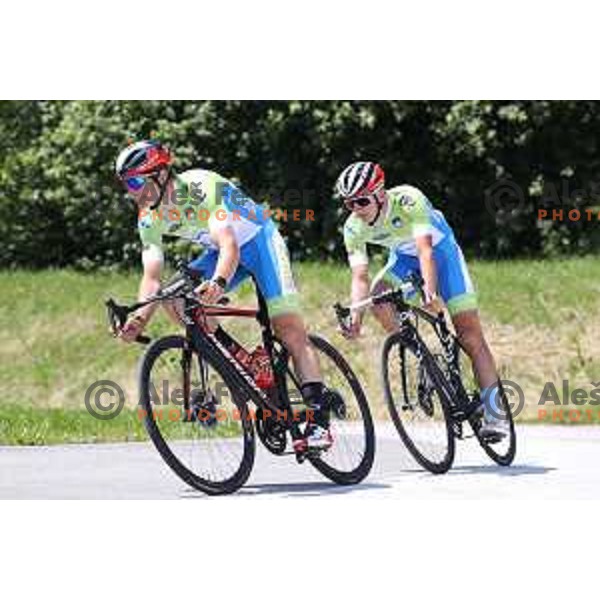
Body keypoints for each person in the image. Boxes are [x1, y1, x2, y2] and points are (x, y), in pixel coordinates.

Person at [114, 140, 332, 450]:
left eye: (135, 181)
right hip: (219, 252)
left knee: (288, 329)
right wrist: (138, 319)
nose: (131, 191)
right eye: (126, 184)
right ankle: (245, 362)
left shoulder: (200, 188)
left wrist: (217, 282)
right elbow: (152, 276)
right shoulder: (147, 217)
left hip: (259, 244)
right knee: (175, 300)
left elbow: (229, 242)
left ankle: (319, 424)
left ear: (160, 175)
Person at [336, 161, 508, 439]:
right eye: (349, 203)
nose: (356, 209)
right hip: (404, 260)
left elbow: (426, 251)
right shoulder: (353, 227)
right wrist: (356, 317)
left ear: (380, 194)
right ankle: (424, 357)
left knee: (470, 337)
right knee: (379, 298)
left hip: (441, 255)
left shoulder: (408, 199)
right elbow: (360, 277)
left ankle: (495, 415)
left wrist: (430, 293)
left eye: (362, 201)